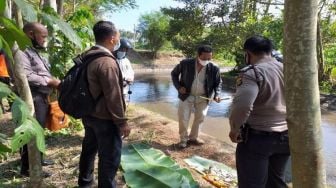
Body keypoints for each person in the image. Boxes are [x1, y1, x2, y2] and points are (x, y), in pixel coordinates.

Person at [229, 35, 289, 188]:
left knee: (251, 184)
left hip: (258, 138)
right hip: (286, 136)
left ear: (247, 54)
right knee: (276, 181)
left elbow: (243, 106)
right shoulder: (287, 69)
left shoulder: (252, 73)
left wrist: (234, 129)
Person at [77, 21, 131, 188]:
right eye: (119, 37)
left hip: (88, 114)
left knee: (89, 151)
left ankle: (85, 184)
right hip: (104, 119)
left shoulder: (86, 56)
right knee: (109, 159)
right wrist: (122, 122)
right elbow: (113, 96)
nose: (119, 40)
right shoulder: (107, 62)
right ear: (113, 38)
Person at [18, 22, 60, 177]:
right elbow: (26, 75)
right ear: (30, 34)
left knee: (39, 131)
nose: (44, 40)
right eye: (43, 36)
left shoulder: (33, 50)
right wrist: (49, 81)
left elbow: (41, 72)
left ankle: (38, 159)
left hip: (41, 96)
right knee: (30, 132)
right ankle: (28, 168)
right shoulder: (21, 51)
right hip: (31, 98)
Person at [171, 45, 222, 148]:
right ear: (198, 55)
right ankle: (183, 140)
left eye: (209, 58)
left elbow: (218, 83)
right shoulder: (185, 63)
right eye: (204, 58)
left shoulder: (214, 68)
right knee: (183, 117)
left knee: (200, 117)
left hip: (204, 97)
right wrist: (179, 87)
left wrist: (217, 94)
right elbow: (174, 74)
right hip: (186, 95)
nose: (206, 60)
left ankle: (193, 138)